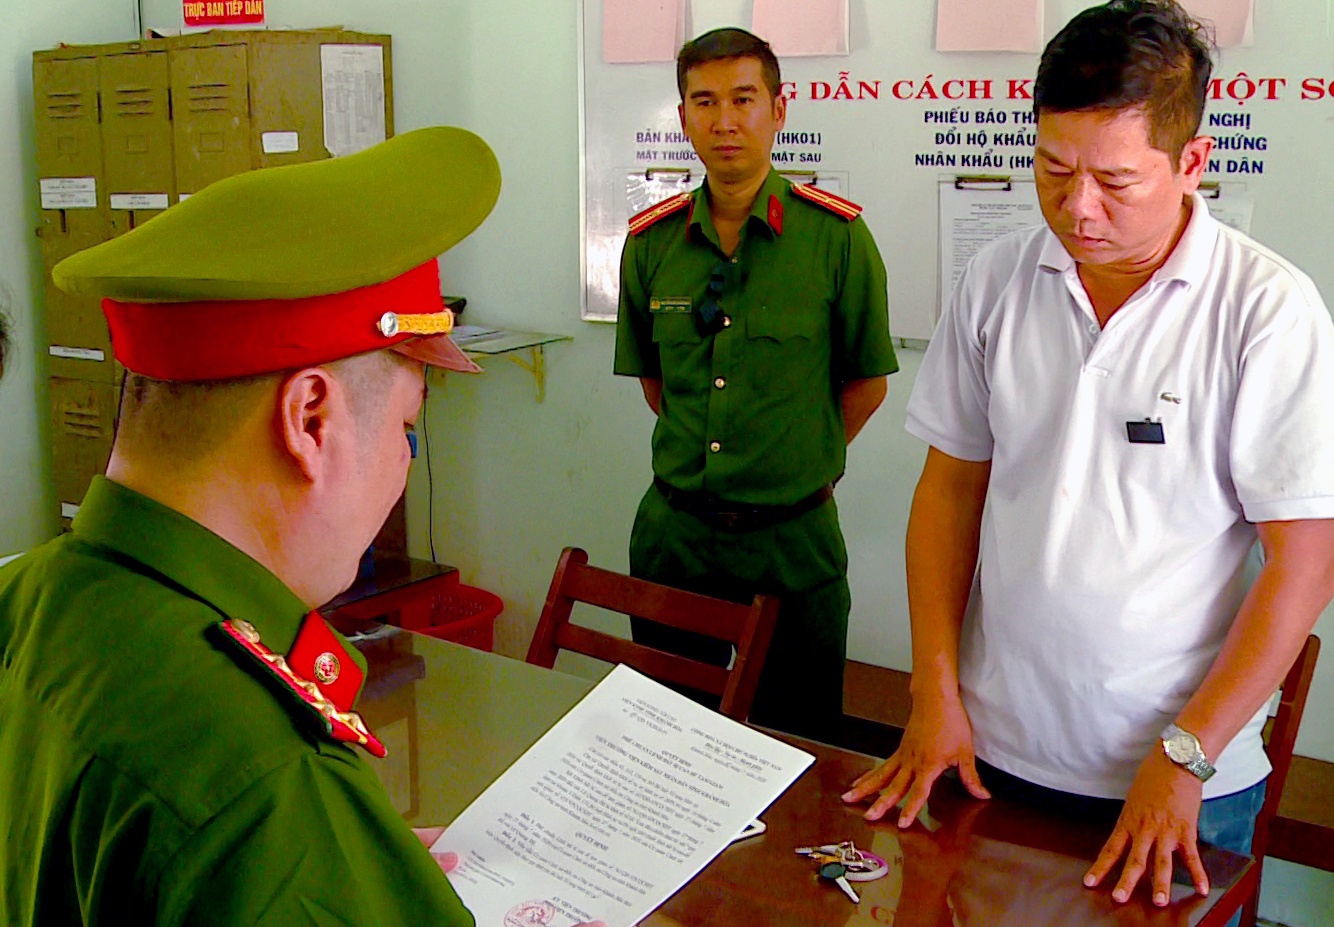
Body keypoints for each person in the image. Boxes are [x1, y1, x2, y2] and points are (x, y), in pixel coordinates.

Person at [0, 127, 600, 927]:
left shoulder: (26, 596)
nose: (402, 466)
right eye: (407, 429)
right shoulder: (267, 781)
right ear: (311, 420)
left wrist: (350, 873)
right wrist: (307, 856)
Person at [844, 0, 1334, 911]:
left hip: (1173, 777)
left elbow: (1306, 569)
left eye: (1116, 181)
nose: (1076, 209)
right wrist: (934, 691)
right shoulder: (998, 279)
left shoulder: (1265, 310)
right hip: (990, 747)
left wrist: (1187, 753)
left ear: (1192, 163)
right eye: (1052, 169)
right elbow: (950, 493)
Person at [614, 28, 897, 743]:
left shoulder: (836, 239)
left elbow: (866, 385)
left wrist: (790, 455)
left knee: (799, 743)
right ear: (682, 118)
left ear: (778, 109)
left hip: (792, 545)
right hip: (675, 540)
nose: (724, 120)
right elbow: (658, 384)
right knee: (668, 739)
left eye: (743, 99)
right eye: (704, 102)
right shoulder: (652, 242)